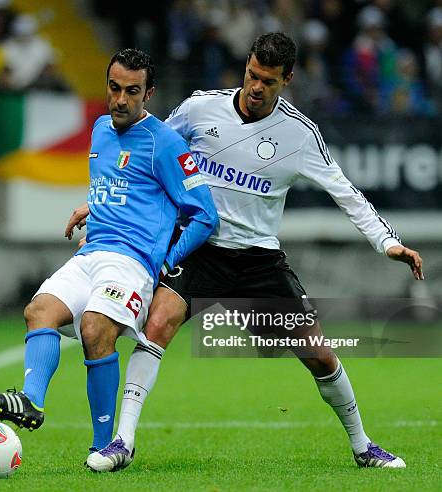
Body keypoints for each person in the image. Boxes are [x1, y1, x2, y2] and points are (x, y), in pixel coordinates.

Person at [66, 33, 424, 471]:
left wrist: (386, 242)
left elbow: (345, 192)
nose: (256, 87)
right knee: (156, 325)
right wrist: (101, 203)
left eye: (268, 82)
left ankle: (363, 445)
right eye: (252, 75)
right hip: (200, 249)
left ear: (287, 80)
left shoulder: (299, 134)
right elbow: (148, 147)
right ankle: (122, 441)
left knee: (318, 353)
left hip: (258, 260)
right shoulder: (200, 109)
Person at [0, 49, 218, 459]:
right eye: (114, 88)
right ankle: (30, 400)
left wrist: (165, 259)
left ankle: (106, 445)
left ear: (149, 93)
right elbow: (121, 186)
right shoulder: (101, 129)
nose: (120, 99)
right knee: (39, 311)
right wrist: (93, 206)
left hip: (132, 263)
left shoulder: (166, 143)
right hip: (92, 253)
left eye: (132, 91)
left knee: (95, 328)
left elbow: (204, 214)